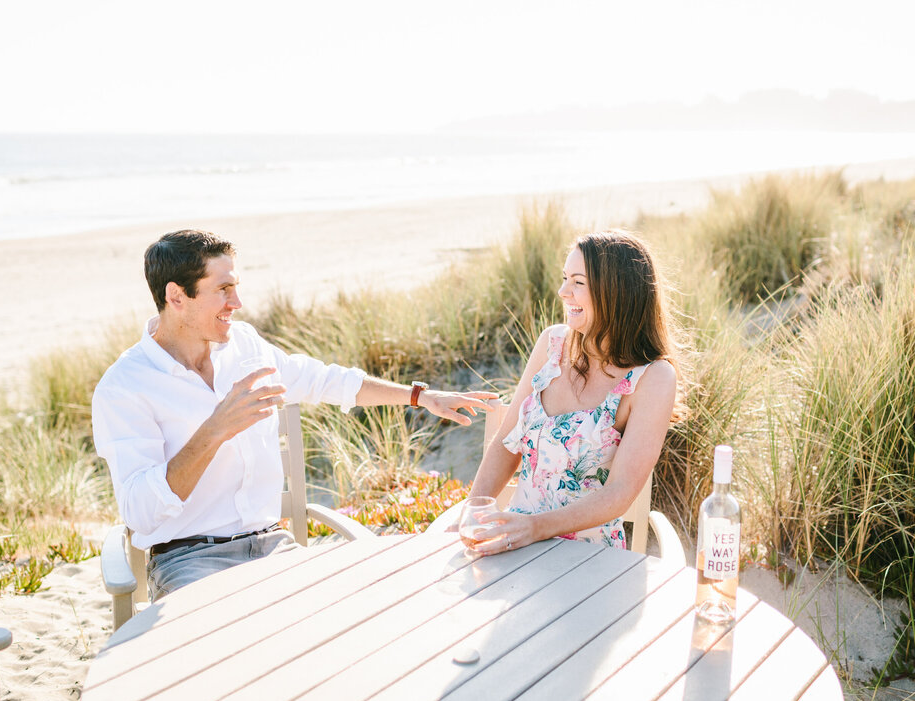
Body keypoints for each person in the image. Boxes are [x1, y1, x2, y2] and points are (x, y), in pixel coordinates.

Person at [92, 229, 495, 599]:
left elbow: (324, 380)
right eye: (223, 289)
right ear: (176, 297)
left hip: (274, 548)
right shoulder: (125, 387)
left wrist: (419, 396)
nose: (237, 303)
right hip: (189, 561)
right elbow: (140, 512)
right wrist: (214, 431)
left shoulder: (244, 346)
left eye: (236, 287)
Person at [461, 229, 684, 554]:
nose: (563, 291)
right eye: (565, 278)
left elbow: (619, 493)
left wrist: (534, 529)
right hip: (516, 545)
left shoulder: (653, 378)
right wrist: (472, 513)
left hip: (591, 559)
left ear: (616, 291)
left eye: (578, 282)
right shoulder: (552, 344)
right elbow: (506, 446)